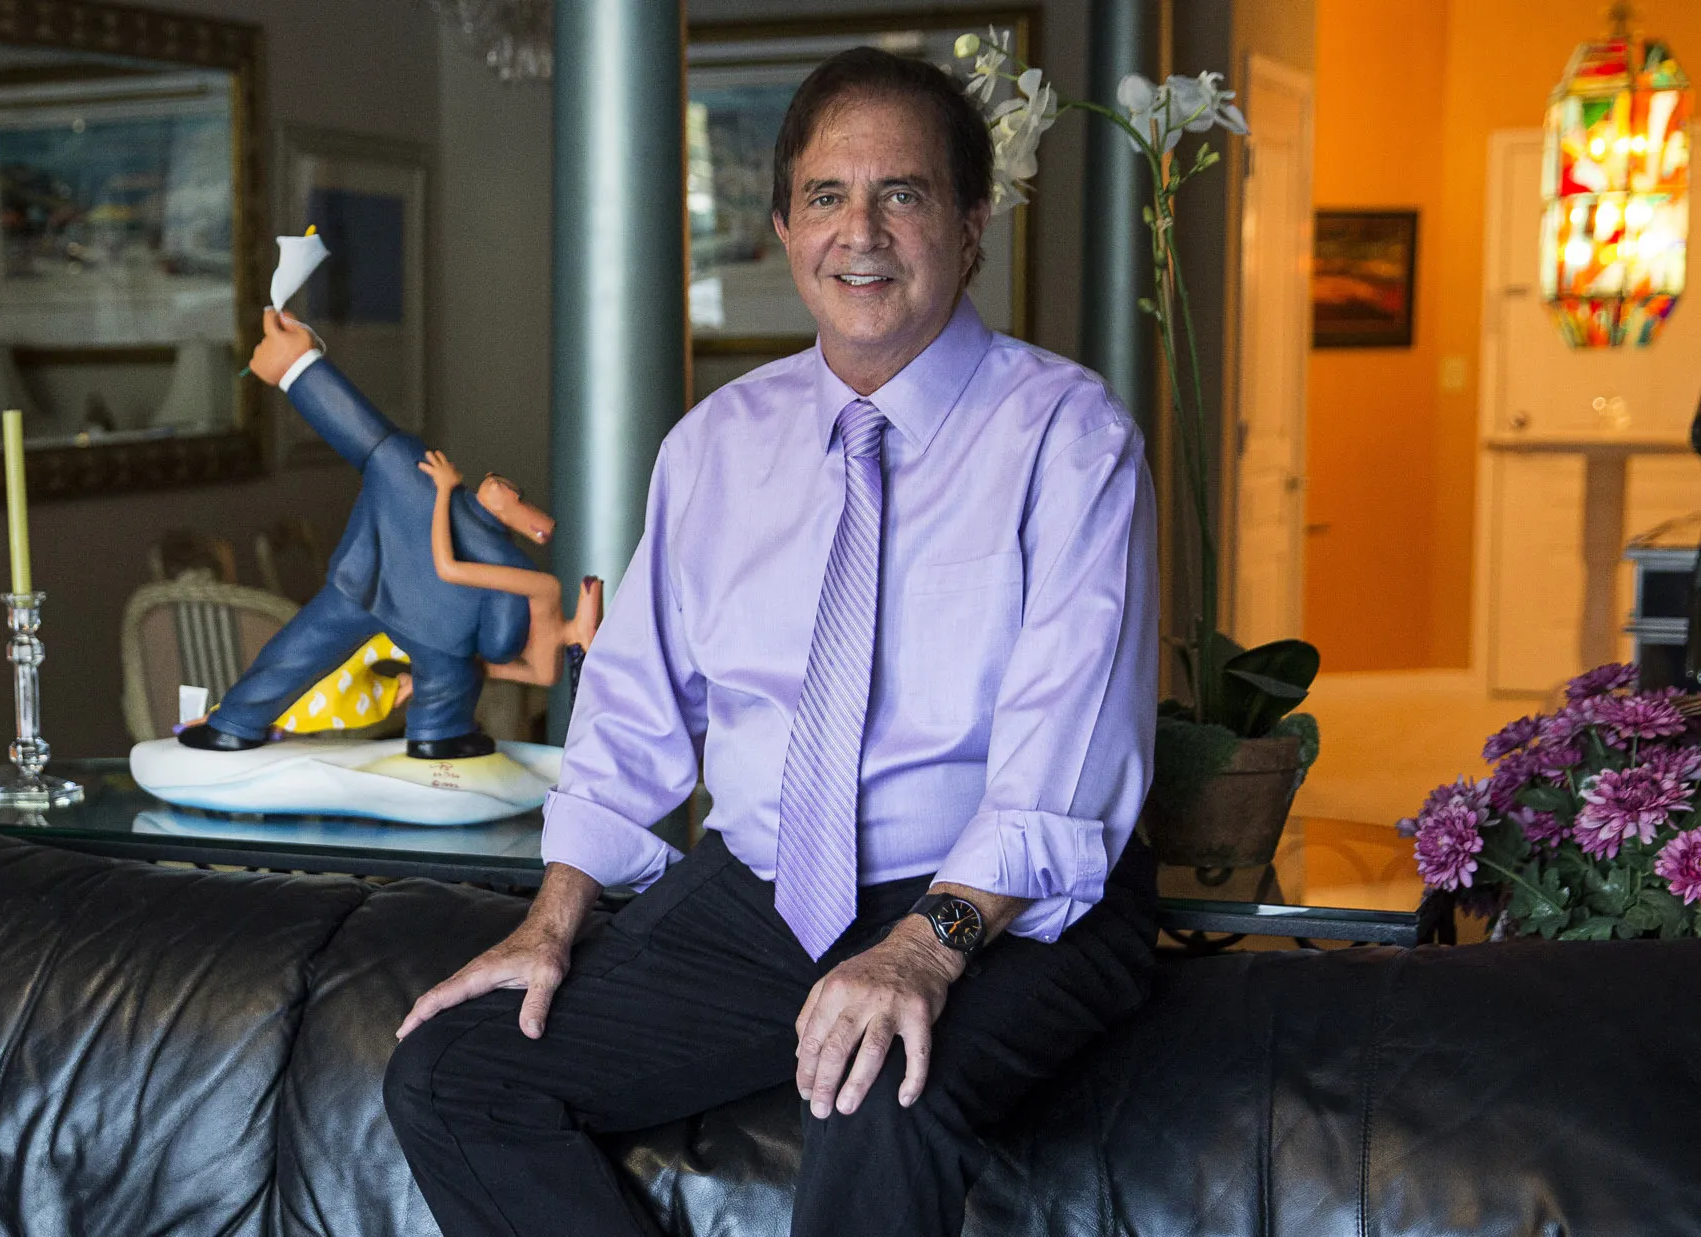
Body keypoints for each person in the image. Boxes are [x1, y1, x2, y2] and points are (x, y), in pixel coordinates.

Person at [382, 46, 1161, 1237]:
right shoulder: (712, 447)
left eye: (901, 194)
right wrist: (551, 919)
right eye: (826, 197)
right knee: (458, 1072)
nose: (863, 231)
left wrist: (920, 949)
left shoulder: (1066, 437)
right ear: (786, 229)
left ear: (969, 224)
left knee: (873, 1086)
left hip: (1003, 901)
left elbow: (1065, 755)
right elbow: (632, 712)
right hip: (768, 900)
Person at [179, 309, 558, 761]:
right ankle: (438, 737)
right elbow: (499, 642)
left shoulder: (411, 468)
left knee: (297, 652)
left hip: (361, 588)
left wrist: (297, 368)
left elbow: (360, 430)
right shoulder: (506, 563)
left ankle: (234, 725)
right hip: (433, 638)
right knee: (447, 684)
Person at [417, 449, 603, 688]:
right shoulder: (547, 666)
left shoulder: (545, 590)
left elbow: (447, 568)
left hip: (506, 638)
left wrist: (444, 489)